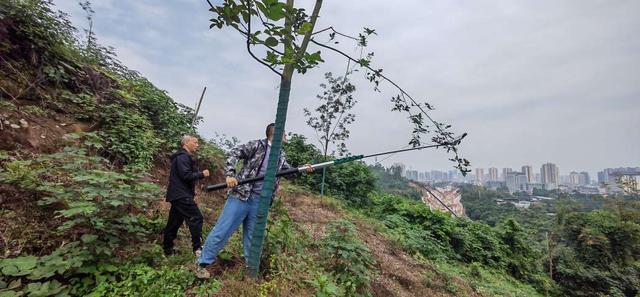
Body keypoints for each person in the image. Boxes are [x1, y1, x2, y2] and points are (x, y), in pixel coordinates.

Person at [196, 123, 312, 279]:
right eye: (284, 134)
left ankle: (250, 272)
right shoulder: (257, 146)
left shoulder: (280, 155)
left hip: (260, 202)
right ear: (275, 134)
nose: (286, 137)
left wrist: (303, 169)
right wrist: (230, 174)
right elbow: (234, 152)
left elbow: (288, 173)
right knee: (222, 231)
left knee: (253, 238)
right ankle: (202, 264)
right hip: (241, 197)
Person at [162, 135, 210, 257]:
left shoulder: (181, 157)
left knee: (174, 222)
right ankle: (197, 249)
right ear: (186, 143)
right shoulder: (183, 157)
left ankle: (167, 250)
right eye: (195, 142)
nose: (197, 145)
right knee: (196, 217)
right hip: (182, 195)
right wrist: (202, 174)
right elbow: (186, 175)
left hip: (178, 195)